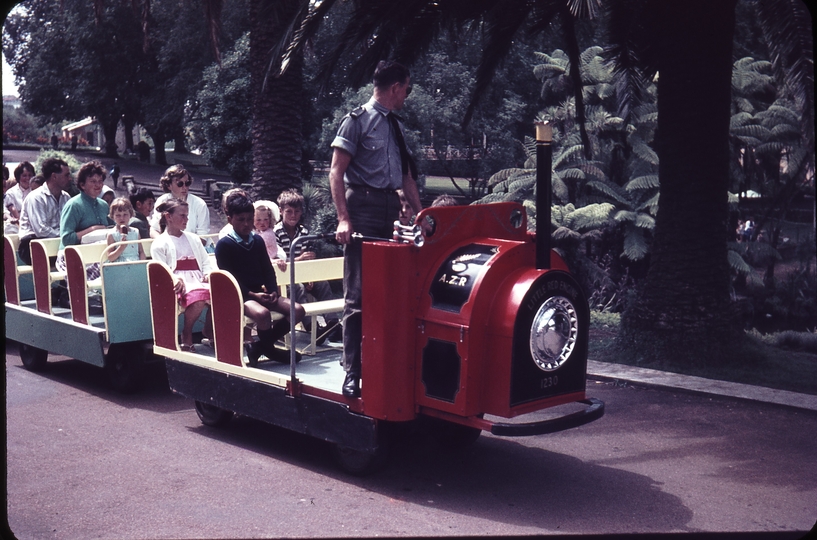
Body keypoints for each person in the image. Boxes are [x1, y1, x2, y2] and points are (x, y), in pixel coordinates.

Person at [329, 60, 426, 397]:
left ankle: (380, 364)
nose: (407, 96)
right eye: (407, 89)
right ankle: (352, 371)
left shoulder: (394, 127)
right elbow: (335, 172)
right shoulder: (357, 121)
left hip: (388, 211)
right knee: (357, 295)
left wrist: (421, 215)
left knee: (387, 294)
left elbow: (405, 178)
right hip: (363, 209)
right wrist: (344, 218)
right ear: (396, 87)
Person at [215, 193, 305, 367]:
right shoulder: (225, 245)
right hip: (241, 295)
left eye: (250, 219)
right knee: (263, 315)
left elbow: (267, 269)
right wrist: (253, 295)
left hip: (261, 292)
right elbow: (229, 278)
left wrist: (272, 290)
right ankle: (269, 349)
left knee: (298, 310)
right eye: (241, 220)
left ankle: (261, 347)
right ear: (230, 219)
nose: (247, 224)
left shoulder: (257, 241)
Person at [274, 189, 341, 341]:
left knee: (322, 284)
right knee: (300, 288)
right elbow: (279, 262)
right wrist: (300, 259)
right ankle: (312, 328)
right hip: (285, 279)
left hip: (302, 274)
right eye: (289, 211)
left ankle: (333, 324)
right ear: (281, 211)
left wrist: (310, 275)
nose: (293, 215)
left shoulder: (303, 232)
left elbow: (308, 258)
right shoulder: (276, 233)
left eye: (297, 211)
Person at [150, 198, 213, 352]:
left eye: (187, 216)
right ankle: (187, 333)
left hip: (197, 278)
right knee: (199, 298)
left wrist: (207, 273)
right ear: (168, 216)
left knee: (220, 294)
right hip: (180, 283)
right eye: (182, 216)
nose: (186, 219)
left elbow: (205, 261)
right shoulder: (160, 243)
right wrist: (174, 278)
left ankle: (209, 330)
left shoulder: (193, 238)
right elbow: (162, 269)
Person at [56, 160, 113, 279]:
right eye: (93, 181)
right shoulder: (73, 205)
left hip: (98, 254)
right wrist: (92, 229)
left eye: (100, 181)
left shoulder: (104, 205)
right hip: (72, 256)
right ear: (82, 185)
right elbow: (67, 239)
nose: (98, 185)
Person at [17, 158, 72, 265]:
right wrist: (66, 236)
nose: (69, 179)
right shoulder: (36, 197)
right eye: (66, 175)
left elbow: (70, 223)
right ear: (54, 176)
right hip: (32, 245)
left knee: (76, 257)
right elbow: (41, 230)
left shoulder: (66, 197)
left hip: (56, 243)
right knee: (70, 259)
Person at [150, 165, 210, 241]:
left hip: (194, 248)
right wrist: (165, 244)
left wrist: (181, 246)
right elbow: (154, 230)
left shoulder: (200, 204)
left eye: (187, 183)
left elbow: (203, 237)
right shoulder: (162, 201)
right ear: (169, 185)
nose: (184, 187)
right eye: (180, 184)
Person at [105, 197, 145, 263]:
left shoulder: (135, 232)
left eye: (125, 214)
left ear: (130, 215)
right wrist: (121, 247)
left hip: (135, 263)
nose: (122, 218)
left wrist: (142, 264)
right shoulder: (112, 234)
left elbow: (141, 252)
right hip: (120, 265)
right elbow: (110, 257)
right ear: (113, 216)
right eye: (118, 215)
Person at [254, 200, 287, 270]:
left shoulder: (268, 234)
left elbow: (256, 250)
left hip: (269, 260)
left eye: (265, 219)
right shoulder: (258, 232)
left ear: (270, 220)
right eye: (258, 220)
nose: (262, 223)